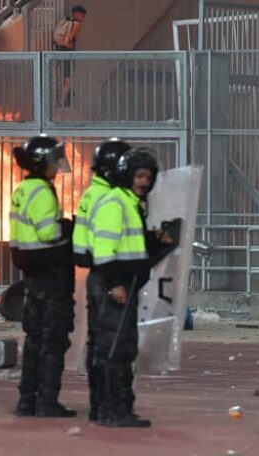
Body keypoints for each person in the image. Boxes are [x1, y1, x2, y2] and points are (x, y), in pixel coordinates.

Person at [89, 147, 161, 428]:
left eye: (148, 176)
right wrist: (114, 284)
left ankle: (118, 408)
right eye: (139, 175)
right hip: (116, 289)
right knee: (114, 349)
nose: (144, 181)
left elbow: (132, 245)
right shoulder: (115, 204)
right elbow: (104, 250)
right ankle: (112, 410)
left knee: (122, 348)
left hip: (127, 286)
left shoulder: (129, 203)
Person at [9, 135, 77, 418]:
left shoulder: (23, 189)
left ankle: (27, 399)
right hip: (51, 275)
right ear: (41, 163)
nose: (57, 165)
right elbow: (48, 232)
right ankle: (47, 402)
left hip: (33, 275)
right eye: (53, 159)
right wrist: (69, 227)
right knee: (53, 341)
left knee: (34, 339)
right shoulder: (41, 192)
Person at [72, 137, 131, 421]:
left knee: (99, 344)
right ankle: (110, 407)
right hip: (108, 276)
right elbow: (107, 244)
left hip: (97, 275)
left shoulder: (91, 193)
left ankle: (100, 406)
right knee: (111, 345)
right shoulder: (109, 199)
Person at [53, 5, 86, 107]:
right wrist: (69, 44)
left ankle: (62, 100)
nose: (83, 17)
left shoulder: (66, 21)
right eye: (82, 15)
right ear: (77, 14)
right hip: (67, 53)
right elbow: (69, 40)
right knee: (68, 79)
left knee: (63, 77)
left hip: (59, 51)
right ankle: (62, 102)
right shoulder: (76, 24)